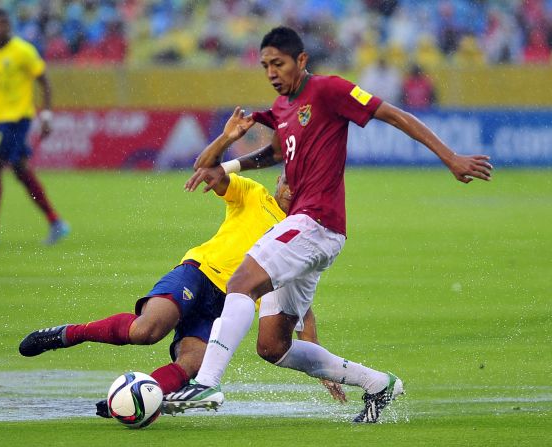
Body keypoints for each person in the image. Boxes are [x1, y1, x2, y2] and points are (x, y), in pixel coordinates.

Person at [168, 26, 493, 423]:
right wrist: (230, 162)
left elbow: (391, 114)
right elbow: (271, 152)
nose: (272, 72)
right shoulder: (282, 109)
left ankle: (207, 383)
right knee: (273, 347)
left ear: (301, 60)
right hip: (312, 231)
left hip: (316, 222)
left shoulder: (328, 91)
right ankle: (378, 383)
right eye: (266, 65)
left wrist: (450, 157)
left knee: (240, 283)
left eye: (279, 63)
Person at [18, 108, 346, 416]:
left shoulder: (302, 235)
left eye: (297, 186)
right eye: (286, 181)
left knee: (194, 364)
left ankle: (132, 402)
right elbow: (211, 171)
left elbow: (302, 309)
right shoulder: (253, 194)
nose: (289, 189)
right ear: (277, 181)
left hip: (226, 305)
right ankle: (68, 334)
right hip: (199, 273)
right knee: (147, 330)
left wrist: (322, 368)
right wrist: (226, 138)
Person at [0, 8, 69, 247]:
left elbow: (44, 82)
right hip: (0, 119)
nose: (1, 28)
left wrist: (46, 116)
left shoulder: (23, 51)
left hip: (19, 119)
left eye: (4, 24)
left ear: (10, 25)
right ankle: (55, 221)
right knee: (19, 170)